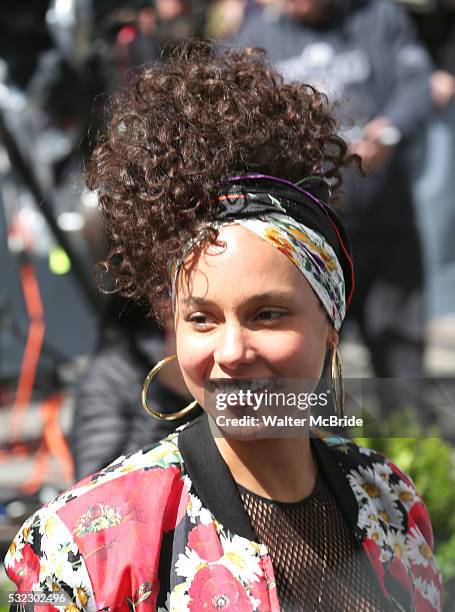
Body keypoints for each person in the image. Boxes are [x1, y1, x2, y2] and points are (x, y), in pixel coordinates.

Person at [5, 41, 442, 611]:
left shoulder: (390, 503)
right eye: (202, 319)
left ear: (331, 323)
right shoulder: (84, 548)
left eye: (267, 314)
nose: (231, 351)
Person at [235, 0, 433, 383]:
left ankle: (405, 439)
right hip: (307, 236)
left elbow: (417, 84)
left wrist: (388, 131)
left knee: (401, 359)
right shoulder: (255, 35)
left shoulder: (378, 17)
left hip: (384, 226)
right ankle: (317, 442)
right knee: (309, 364)